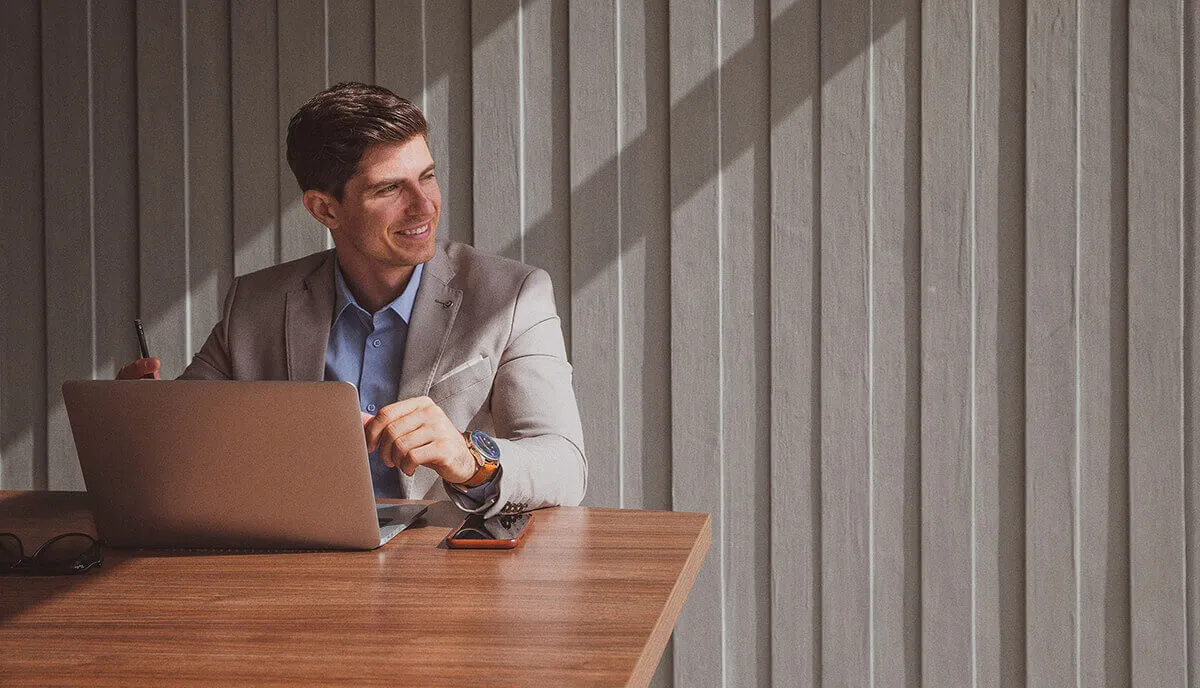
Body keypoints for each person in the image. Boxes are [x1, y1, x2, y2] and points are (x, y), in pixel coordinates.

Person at [118, 82, 586, 518]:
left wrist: (469, 458)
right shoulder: (256, 303)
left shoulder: (512, 296)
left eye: (427, 177)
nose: (424, 206)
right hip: (294, 564)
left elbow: (565, 463)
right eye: (389, 189)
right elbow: (188, 437)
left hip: (446, 569)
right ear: (325, 208)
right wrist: (142, 416)